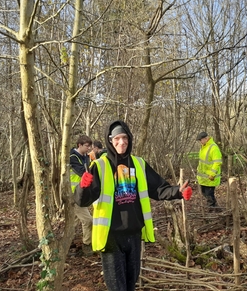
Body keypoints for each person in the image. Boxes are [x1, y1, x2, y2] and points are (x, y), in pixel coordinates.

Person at [74, 120, 192, 291]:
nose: (121, 142)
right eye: (117, 139)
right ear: (110, 140)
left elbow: (158, 188)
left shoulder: (139, 164)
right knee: (117, 287)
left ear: (129, 139)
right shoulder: (100, 166)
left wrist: (178, 192)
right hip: (111, 237)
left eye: (125, 138)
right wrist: (82, 187)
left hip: (134, 235)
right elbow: (82, 200)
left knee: (130, 284)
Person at [70, 135, 93, 256]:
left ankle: (70, 243)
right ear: (79, 145)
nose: (89, 148)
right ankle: (87, 245)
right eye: (86, 146)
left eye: (90, 146)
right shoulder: (72, 157)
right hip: (73, 194)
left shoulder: (86, 157)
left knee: (73, 221)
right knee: (88, 220)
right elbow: (82, 172)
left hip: (81, 193)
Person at [196, 131, 222, 209]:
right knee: (205, 193)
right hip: (203, 177)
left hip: (210, 178)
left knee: (209, 194)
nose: (200, 142)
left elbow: (217, 162)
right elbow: (202, 162)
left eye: (200, 140)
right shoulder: (203, 147)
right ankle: (214, 207)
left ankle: (212, 209)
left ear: (206, 138)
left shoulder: (214, 148)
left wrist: (212, 174)